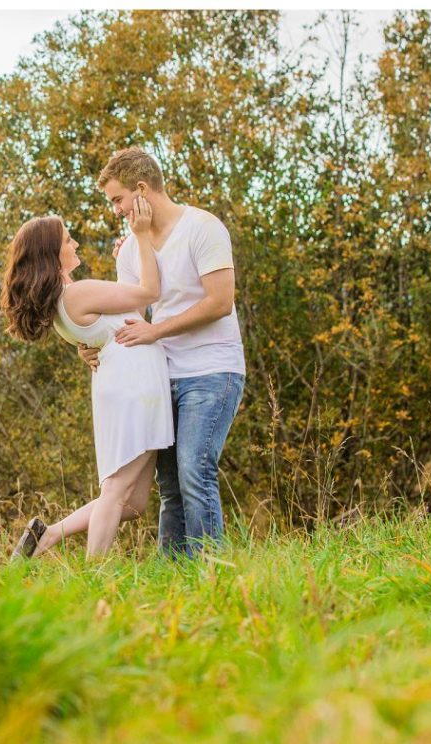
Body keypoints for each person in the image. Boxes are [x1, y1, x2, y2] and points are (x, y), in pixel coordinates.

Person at [80, 147, 246, 559]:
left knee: (195, 471)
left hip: (213, 370)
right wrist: (94, 346)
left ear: (140, 190)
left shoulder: (203, 228)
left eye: (117, 199)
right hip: (161, 376)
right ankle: (173, 577)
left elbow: (220, 302)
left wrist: (157, 330)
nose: (116, 209)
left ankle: (212, 571)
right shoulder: (131, 251)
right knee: (170, 487)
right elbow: (126, 319)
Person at [0, 203, 173, 559]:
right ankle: (93, 575)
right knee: (117, 489)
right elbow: (150, 293)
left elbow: (128, 314)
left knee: (134, 503)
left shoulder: (65, 298)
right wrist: (141, 237)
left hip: (126, 385)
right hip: (134, 388)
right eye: (67, 239)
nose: (75, 243)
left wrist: (129, 261)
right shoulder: (78, 294)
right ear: (52, 252)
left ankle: (47, 536)